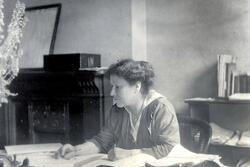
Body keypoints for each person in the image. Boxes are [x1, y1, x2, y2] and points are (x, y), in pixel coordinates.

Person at [58, 59, 180, 161]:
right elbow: (102, 142)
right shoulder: (118, 110)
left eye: (118, 87)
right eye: (112, 86)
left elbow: (171, 149)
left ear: (137, 86)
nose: (112, 93)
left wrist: (130, 154)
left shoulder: (161, 108)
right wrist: (76, 150)